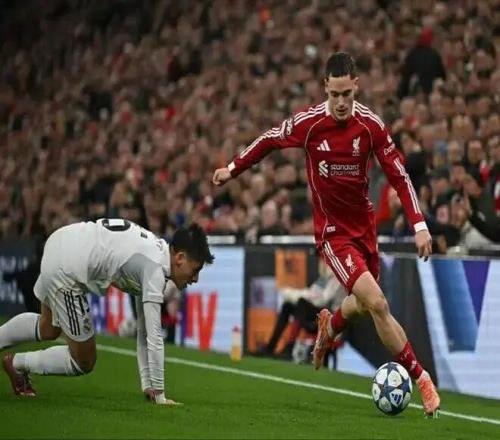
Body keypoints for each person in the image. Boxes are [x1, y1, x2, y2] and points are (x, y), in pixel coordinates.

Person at [213, 52, 440, 416]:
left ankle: (329, 326)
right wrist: (232, 168)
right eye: (334, 94)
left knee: (363, 305)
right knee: (378, 303)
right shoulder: (310, 123)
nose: (340, 102)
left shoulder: (370, 126)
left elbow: (399, 175)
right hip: (333, 233)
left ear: (356, 87)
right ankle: (423, 380)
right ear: (325, 88)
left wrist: (419, 224)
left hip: (364, 229)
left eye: (346, 94)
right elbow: (269, 139)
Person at [0, 219, 214, 405]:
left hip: (59, 241)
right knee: (84, 360)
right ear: (180, 258)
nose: (195, 279)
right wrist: (160, 396)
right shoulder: (155, 270)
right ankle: (18, 364)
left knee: (48, 327)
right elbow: (154, 337)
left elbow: (143, 331)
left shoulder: (154, 251)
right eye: (195, 270)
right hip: (67, 270)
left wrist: (148, 385)